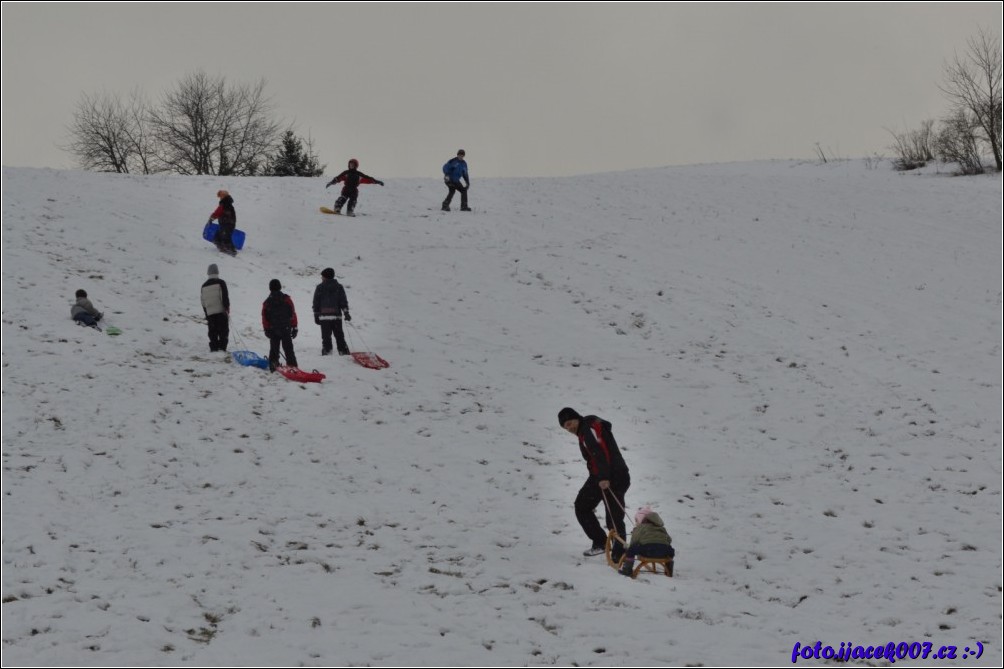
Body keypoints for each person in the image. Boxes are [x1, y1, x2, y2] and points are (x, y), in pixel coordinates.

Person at [558, 407, 631, 561]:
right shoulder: (586, 429)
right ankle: (600, 542)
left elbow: (599, 451)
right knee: (582, 506)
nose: (569, 428)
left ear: (577, 418)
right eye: (566, 427)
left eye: (570, 423)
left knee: (614, 515)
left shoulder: (587, 429)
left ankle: (620, 554)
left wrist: (604, 477)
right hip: (600, 475)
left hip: (613, 475)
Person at [617, 506, 674, 577]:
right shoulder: (662, 529)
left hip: (647, 551)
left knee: (631, 550)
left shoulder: (642, 527)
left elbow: (634, 541)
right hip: (663, 552)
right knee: (671, 551)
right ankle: (668, 569)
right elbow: (669, 540)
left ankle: (627, 570)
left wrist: (628, 547)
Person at [312, 267, 351, 356]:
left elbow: (316, 302)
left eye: (322, 276)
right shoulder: (339, 287)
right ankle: (343, 352)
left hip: (324, 317)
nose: (321, 278)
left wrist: (316, 314)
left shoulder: (320, 287)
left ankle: (327, 352)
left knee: (326, 337)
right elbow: (343, 301)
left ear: (325, 277)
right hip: (336, 316)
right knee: (339, 336)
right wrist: (346, 312)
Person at [262, 279, 299, 371]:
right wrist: (295, 327)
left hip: (273, 329)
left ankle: (273, 364)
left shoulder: (267, 302)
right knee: (288, 348)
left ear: (270, 288)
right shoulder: (287, 299)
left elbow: (264, 317)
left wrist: (266, 329)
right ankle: (292, 365)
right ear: (280, 287)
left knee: (274, 348)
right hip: (285, 327)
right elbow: (293, 313)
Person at [200, 263, 230, 352]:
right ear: (217, 272)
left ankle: (214, 347)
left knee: (212, 331)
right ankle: (222, 347)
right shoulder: (221, 282)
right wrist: (226, 308)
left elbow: (203, 301)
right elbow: (224, 296)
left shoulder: (203, 286)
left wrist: (206, 313)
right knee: (223, 330)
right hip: (221, 311)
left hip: (210, 312)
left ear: (208, 273)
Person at [209, 190, 237, 255]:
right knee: (219, 235)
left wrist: (211, 218)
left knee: (226, 236)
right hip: (228, 223)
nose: (220, 198)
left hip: (227, 223)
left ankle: (231, 250)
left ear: (223, 196)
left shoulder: (224, 203)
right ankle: (221, 245)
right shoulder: (228, 203)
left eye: (220, 196)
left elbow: (218, 212)